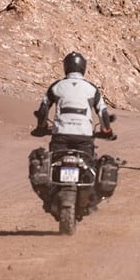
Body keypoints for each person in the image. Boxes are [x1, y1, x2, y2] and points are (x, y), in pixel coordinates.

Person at [29, 52, 117, 208]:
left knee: (53, 165)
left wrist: (41, 127)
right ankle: (89, 198)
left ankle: (51, 197)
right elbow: (103, 113)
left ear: (65, 67)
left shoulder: (56, 86)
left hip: (60, 135)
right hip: (84, 136)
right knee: (90, 166)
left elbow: (43, 110)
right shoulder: (91, 88)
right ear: (83, 67)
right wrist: (107, 131)